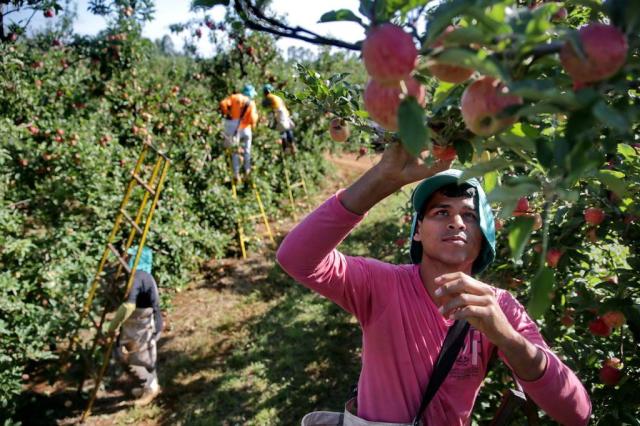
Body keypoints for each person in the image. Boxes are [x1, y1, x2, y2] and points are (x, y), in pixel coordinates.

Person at [276, 142, 591, 425]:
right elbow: (295, 257)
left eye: (469, 216)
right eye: (441, 212)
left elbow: (576, 412)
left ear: (484, 238)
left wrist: (507, 338)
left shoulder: (498, 307)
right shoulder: (381, 284)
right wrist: (384, 178)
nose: (455, 221)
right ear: (417, 231)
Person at [108, 245, 163, 406]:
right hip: (144, 320)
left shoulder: (138, 277)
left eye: (128, 257)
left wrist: (112, 327)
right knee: (142, 355)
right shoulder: (145, 276)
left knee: (127, 355)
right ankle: (149, 385)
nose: (124, 260)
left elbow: (129, 306)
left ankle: (149, 387)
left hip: (140, 321)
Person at [219, 84, 259, 181]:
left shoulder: (234, 97)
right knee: (247, 150)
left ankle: (236, 173)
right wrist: (250, 124)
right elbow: (253, 119)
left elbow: (223, 104)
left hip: (233, 126)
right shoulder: (251, 103)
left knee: (235, 150)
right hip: (246, 129)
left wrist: (228, 113)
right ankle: (247, 170)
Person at [261, 83, 295, 154]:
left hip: (280, 114)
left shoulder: (269, 96)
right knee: (287, 129)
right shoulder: (276, 96)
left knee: (282, 130)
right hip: (285, 113)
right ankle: (292, 145)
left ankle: (285, 148)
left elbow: (263, 105)